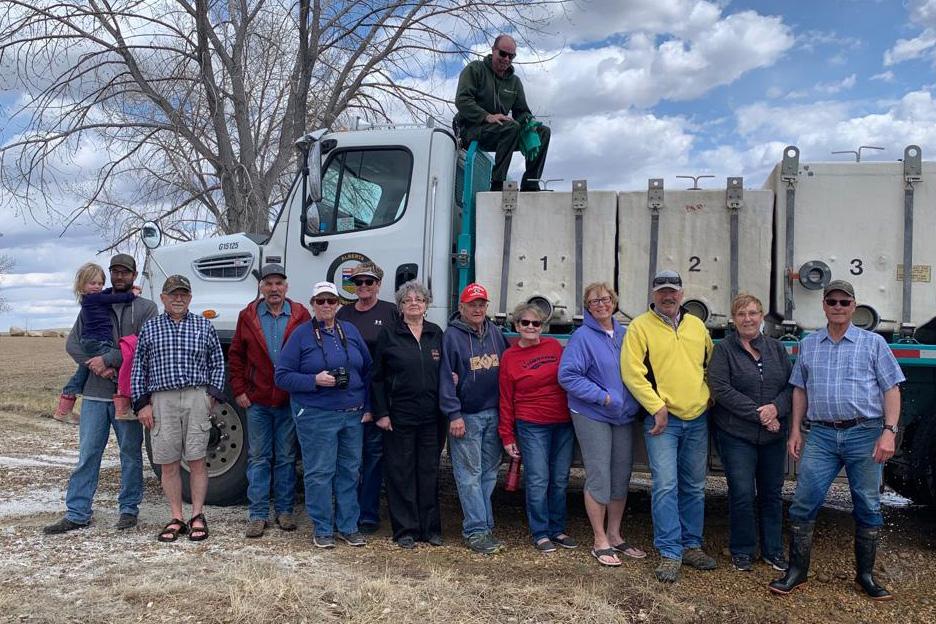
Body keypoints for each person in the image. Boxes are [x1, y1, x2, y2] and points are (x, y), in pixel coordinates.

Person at [769, 280, 903, 600]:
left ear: (854, 306)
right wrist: (795, 429)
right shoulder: (810, 344)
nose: (838, 307)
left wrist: (889, 431)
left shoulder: (873, 344)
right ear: (824, 306)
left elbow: (892, 388)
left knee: (867, 505)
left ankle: (866, 576)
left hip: (865, 433)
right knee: (804, 501)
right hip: (822, 435)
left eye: (844, 302)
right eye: (832, 302)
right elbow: (800, 389)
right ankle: (797, 571)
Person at [43, 254, 159, 535]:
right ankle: (77, 512)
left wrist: (109, 359)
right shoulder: (94, 302)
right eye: (115, 272)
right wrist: (95, 365)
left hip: (128, 394)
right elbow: (73, 344)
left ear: (134, 275)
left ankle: (128, 510)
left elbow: (146, 346)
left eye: (125, 272)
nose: (120, 276)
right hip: (95, 394)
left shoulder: (146, 308)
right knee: (88, 454)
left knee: (130, 454)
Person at [621, 270, 716, 582]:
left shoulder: (697, 326)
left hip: (696, 418)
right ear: (653, 295)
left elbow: (709, 365)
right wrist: (656, 407)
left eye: (672, 291)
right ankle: (670, 551)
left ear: (682, 293)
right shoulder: (639, 327)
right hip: (663, 421)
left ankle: (691, 546)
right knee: (665, 485)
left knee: (694, 486)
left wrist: (709, 395)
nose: (668, 296)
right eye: (662, 291)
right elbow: (632, 373)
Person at [275, 281, 373, 549]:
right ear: (313, 305)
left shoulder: (349, 330)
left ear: (338, 304)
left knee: (349, 472)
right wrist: (314, 380)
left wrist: (368, 406)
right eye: (321, 301)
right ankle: (323, 528)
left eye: (331, 300)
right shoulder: (300, 335)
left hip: (352, 415)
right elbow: (282, 376)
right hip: (317, 415)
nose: (326, 305)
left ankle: (348, 527)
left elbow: (368, 369)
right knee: (320, 473)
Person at [131, 274, 225, 543]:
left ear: (190, 298)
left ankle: (197, 515)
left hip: (196, 396)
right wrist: (142, 404)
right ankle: (176, 517)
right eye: (173, 294)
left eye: (183, 294)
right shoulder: (150, 328)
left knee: (197, 459)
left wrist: (211, 397)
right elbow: (139, 368)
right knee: (169, 462)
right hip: (162, 399)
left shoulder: (203, 326)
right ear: (163, 298)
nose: (178, 298)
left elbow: (218, 362)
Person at [559, 283, 645, 567]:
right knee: (599, 475)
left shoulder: (625, 334)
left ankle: (615, 535)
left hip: (623, 415)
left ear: (614, 302)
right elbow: (568, 376)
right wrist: (603, 397)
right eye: (594, 301)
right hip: (593, 414)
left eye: (605, 299)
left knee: (621, 475)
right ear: (587, 306)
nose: (601, 304)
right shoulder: (582, 337)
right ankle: (599, 540)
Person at [708, 293, 792, 572]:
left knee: (772, 493)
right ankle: (742, 549)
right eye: (742, 314)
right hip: (736, 435)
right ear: (733, 319)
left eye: (753, 313)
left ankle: (773, 550)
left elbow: (791, 386)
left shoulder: (776, 349)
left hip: (773, 436)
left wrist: (776, 409)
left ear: (762, 316)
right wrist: (761, 415)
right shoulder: (724, 350)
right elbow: (721, 389)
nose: (748, 319)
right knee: (742, 492)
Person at [229, 263, 311, 538]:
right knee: (258, 458)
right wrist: (239, 390)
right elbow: (236, 356)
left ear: (286, 287)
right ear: (261, 287)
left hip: (288, 400)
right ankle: (258, 514)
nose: (274, 289)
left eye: (279, 284)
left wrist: (302, 391)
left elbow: (308, 354)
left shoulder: (300, 315)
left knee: (286, 458)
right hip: (258, 401)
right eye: (269, 284)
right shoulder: (247, 316)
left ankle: (285, 511)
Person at [370, 280, 445, 549]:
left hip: (432, 416)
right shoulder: (389, 334)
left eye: (419, 299)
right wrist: (381, 413)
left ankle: (430, 529)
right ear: (400, 306)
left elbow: (446, 370)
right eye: (407, 300)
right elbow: (377, 378)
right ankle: (405, 530)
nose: (414, 303)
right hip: (399, 415)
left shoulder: (436, 333)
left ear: (426, 305)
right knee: (401, 472)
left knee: (428, 471)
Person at [499, 303, 576, 553]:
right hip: (531, 424)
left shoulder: (553, 347)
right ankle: (540, 532)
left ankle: (557, 529)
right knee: (538, 479)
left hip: (562, 422)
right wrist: (507, 435)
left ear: (542, 326)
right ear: (516, 325)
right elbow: (505, 398)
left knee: (560, 479)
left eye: (536, 323)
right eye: (525, 322)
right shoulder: (510, 357)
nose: (531, 327)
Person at [439, 282, 508, 554]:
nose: (477, 309)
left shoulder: (495, 333)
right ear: (462, 307)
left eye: (481, 304)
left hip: (493, 413)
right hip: (466, 416)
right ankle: (475, 531)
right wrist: (453, 414)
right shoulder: (451, 336)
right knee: (469, 475)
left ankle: (485, 525)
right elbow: (445, 378)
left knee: (489, 473)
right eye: (472, 305)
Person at [336, 261, 398, 534]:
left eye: (368, 282)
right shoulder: (344, 313)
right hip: (350, 394)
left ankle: (368, 513)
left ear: (378, 285)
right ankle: (346, 511)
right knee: (349, 459)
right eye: (357, 282)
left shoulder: (391, 312)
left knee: (373, 456)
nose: (362, 287)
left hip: (379, 394)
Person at [454, 34, 550, 192]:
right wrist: (487, 116)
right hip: (470, 130)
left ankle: (530, 184)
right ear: (493, 50)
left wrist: (529, 123)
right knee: (510, 127)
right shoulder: (475, 69)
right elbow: (462, 100)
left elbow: (521, 112)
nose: (506, 59)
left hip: (501, 133)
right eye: (503, 54)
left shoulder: (514, 82)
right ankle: (498, 184)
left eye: (511, 56)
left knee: (543, 132)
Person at [54, 262, 138, 423]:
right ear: (82, 285)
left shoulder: (90, 299)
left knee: (81, 373)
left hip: (90, 342)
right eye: (92, 283)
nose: (97, 287)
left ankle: (64, 407)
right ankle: (122, 409)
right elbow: (115, 297)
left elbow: (106, 294)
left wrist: (107, 290)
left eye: (100, 283)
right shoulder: (96, 299)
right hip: (98, 342)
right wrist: (132, 294)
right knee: (117, 371)